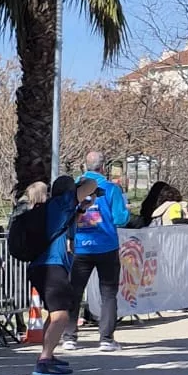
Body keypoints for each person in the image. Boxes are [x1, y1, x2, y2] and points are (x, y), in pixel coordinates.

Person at [61, 152, 129, 354]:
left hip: (79, 246)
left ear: (85, 166)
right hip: (106, 245)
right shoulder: (111, 188)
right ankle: (106, 339)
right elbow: (120, 218)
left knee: (74, 291)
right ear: (103, 168)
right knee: (108, 293)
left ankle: (69, 337)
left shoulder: (73, 188)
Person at [28, 173, 81, 375]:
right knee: (61, 316)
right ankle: (43, 360)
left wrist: (83, 207)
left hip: (45, 265)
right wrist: (89, 187)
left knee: (54, 313)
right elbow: (88, 185)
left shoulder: (58, 210)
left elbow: (69, 223)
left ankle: (47, 356)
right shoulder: (61, 203)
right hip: (52, 265)